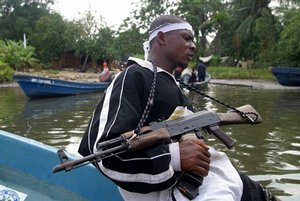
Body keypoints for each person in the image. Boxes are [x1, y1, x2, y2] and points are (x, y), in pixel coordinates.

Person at [79, 15, 277, 201]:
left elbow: (190, 143)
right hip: (175, 189)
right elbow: (104, 153)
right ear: (162, 37)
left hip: (215, 175)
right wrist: (174, 156)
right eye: (186, 38)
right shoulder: (134, 75)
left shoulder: (174, 85)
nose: (193, 46)